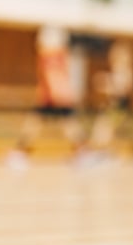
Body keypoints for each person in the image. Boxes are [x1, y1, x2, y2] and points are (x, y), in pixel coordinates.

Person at [8, 26, 84, 168]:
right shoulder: (60, 54)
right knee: (52, 124)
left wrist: (58, 96)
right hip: (53, 97)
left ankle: (21, 152)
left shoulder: (50, 55)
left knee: (41, 123)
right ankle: (81, 152)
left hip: (54, 98)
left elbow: (53, 75)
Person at [88, 39, 133, 157]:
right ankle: (103, 151)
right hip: (115, 105)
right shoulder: (119, 70)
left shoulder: (125, 71)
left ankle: (104, 152)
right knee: (104, 127)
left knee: (104, 127)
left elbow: (123, 89)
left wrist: (106, 85)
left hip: (119, 106)